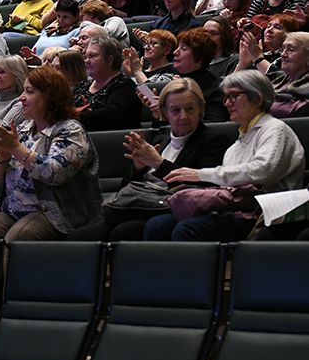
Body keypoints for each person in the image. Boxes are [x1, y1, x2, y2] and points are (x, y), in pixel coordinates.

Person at [145, 71, 305, 242]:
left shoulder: (275, 129)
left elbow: (262, 171)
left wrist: (200, 174)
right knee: (158, 224)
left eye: (234, 96)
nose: (227, 103)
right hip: (235, 210)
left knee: (188, 229)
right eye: (226, 97)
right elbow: (227, 189)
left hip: (266, 215)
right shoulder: (235, 146)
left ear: (257, 99)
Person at [69, 78, 232, 242]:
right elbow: (127, 187)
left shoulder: (214, 141)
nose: (183, 116)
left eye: (190, 109)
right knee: (78, 237)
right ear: (165, 113)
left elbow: (202, 185)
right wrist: (138, 168)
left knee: (123, 232)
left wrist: (158, 163)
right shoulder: (161, 139)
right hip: (141, 205)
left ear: (200, 109)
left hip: (171, 209)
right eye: (175, 110)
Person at [0, 66, 102, 241]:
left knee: (19, 237)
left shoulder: (70, 130)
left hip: (56, 213)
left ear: (50, 96)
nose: (21, 97)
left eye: (29, 92)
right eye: (23, 91)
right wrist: (2, 158)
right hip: (13, 210)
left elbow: (55, 173)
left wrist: (15, 148)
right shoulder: (24, 129)